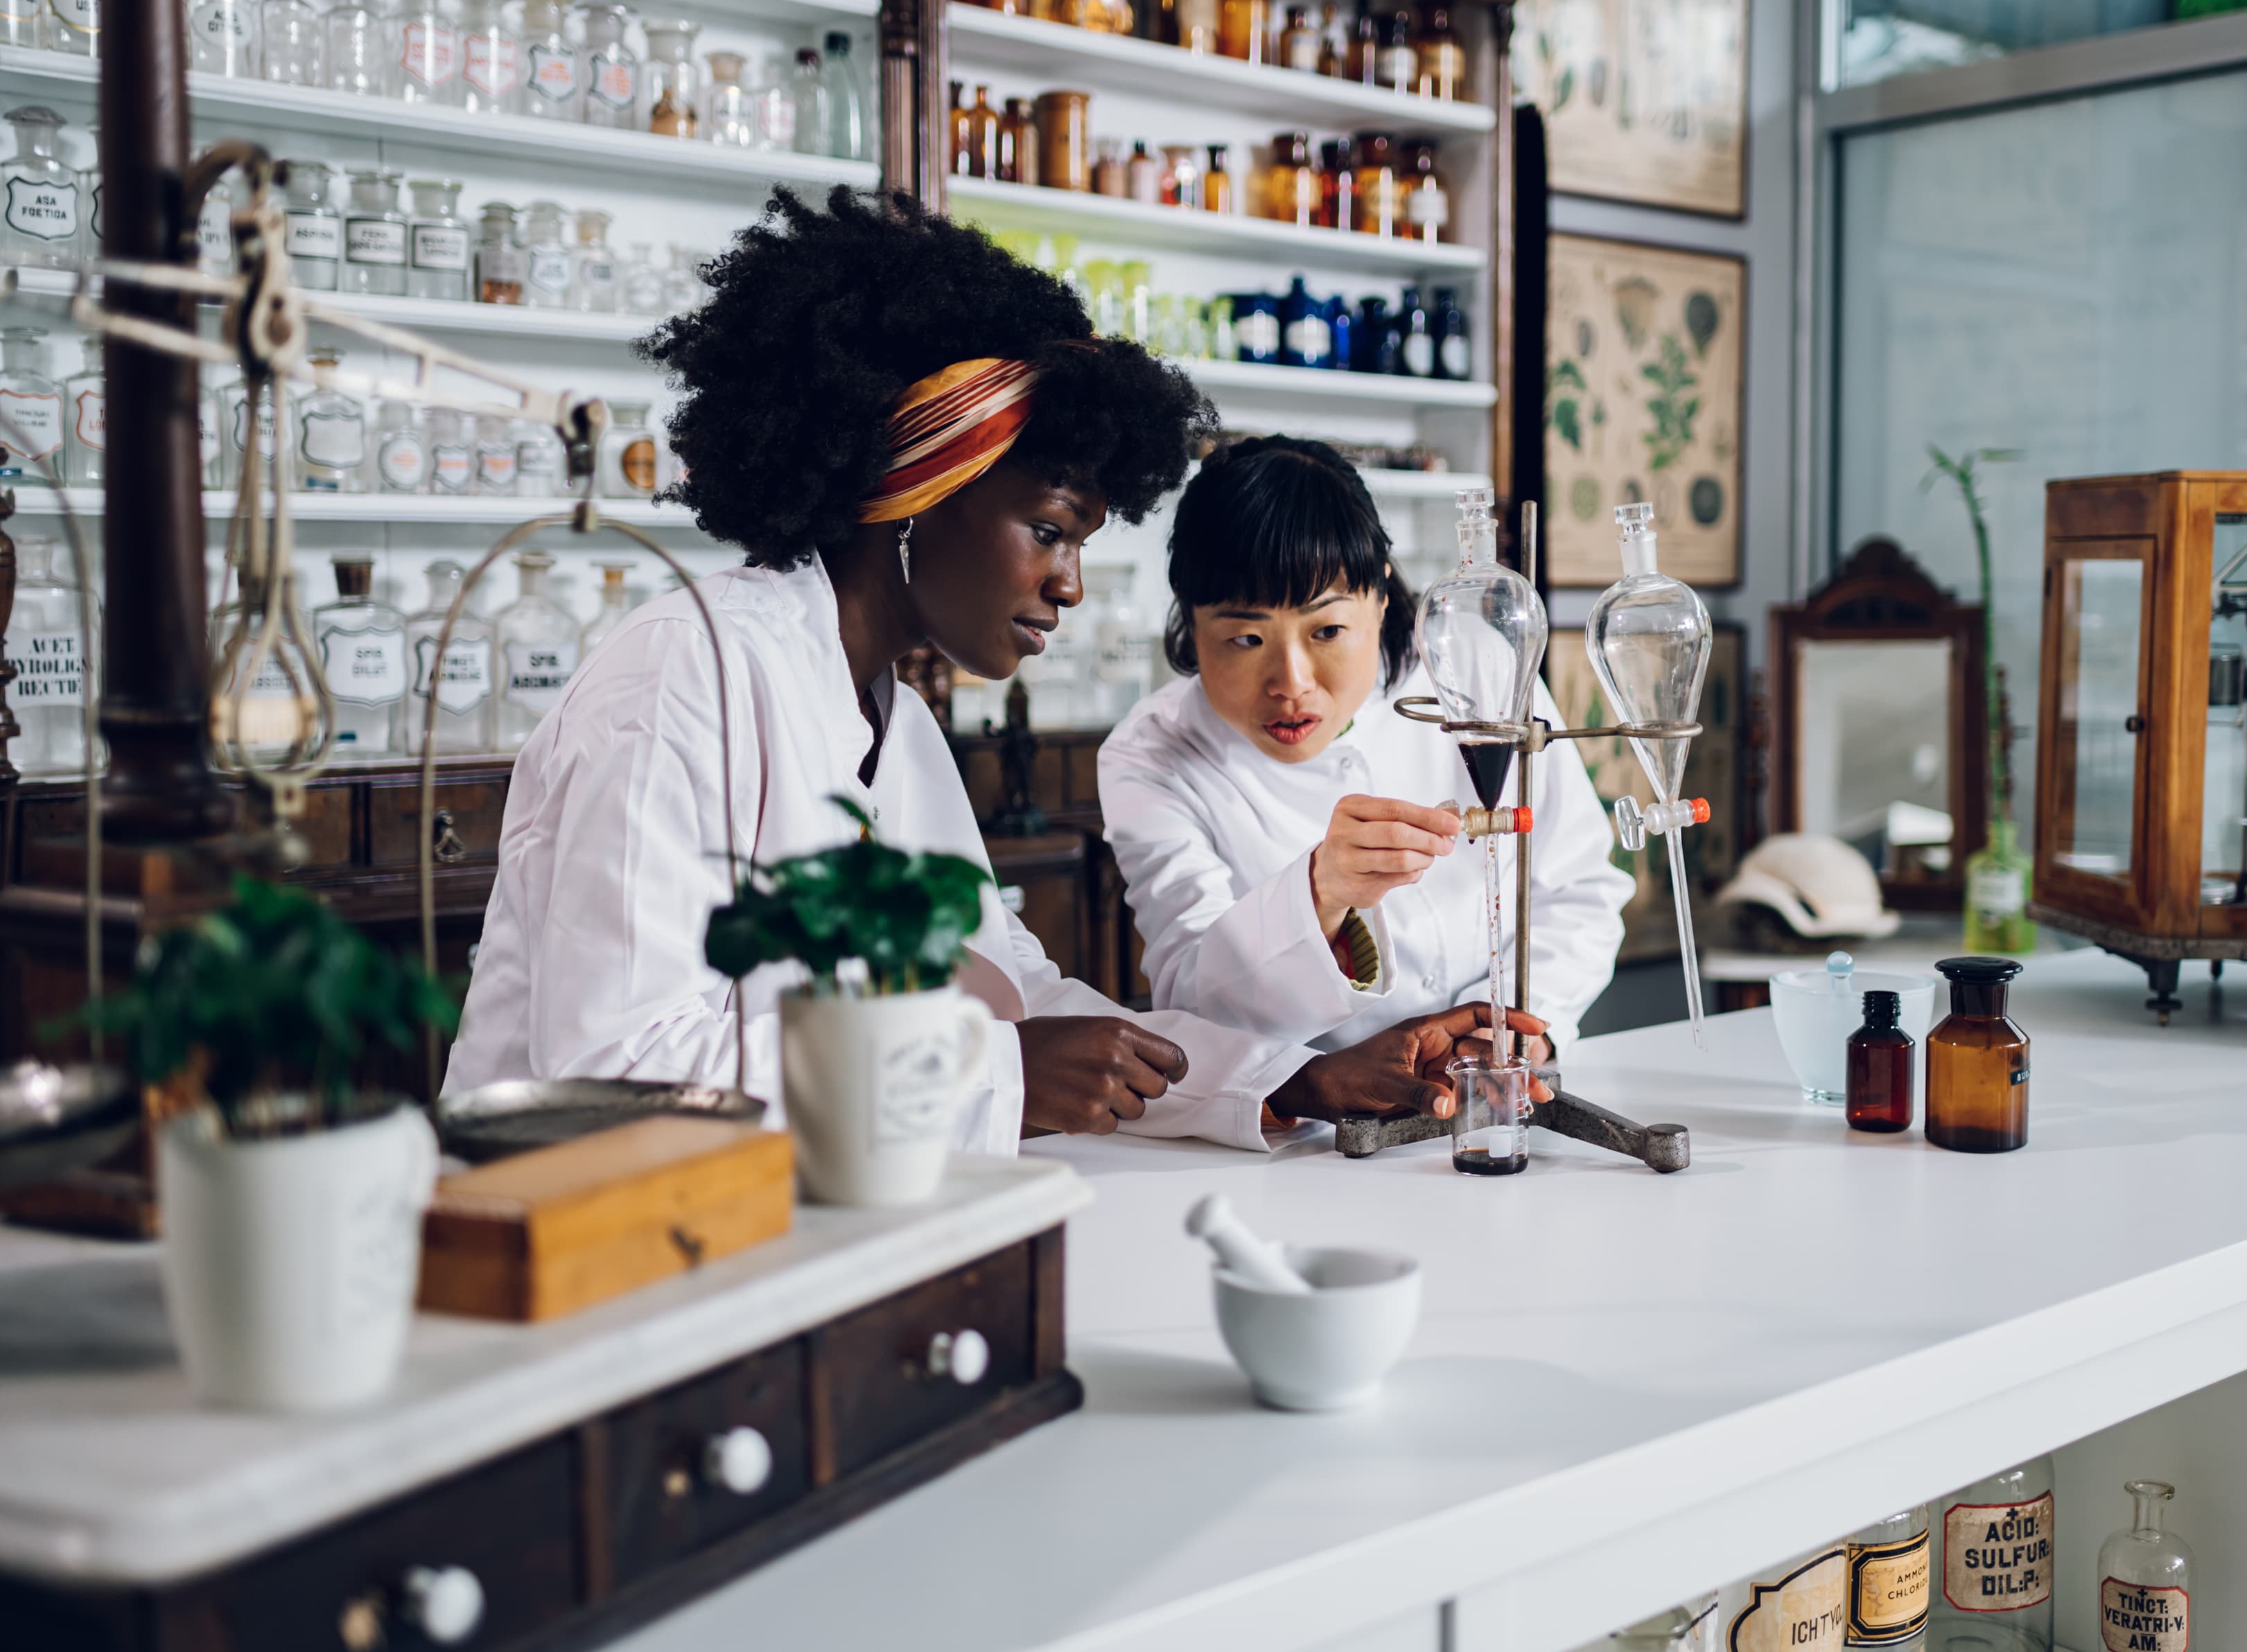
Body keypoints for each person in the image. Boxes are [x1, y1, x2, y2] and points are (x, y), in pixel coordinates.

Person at [446, 191, 1535, 1148]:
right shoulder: (690, 674)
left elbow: (1024, 998)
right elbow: (621, 1076)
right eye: (1050, 528)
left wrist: (1294, 1078)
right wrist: (997, 1076)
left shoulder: (895, 726)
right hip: (570, 1263)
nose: (1068, 581)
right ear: (926, 484)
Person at [1099, 436, 1630, 1059]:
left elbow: (1578, 887)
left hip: (1504, 1079)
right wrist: (1321, 893)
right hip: (1311, 1121)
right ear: (1191, 621)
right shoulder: (1151, 755)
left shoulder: (1480, 664)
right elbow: (1194, 1000)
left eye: (1326, 630)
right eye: (1245, 638)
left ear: (1379, 597)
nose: (1291, 682)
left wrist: (1510, 1030)